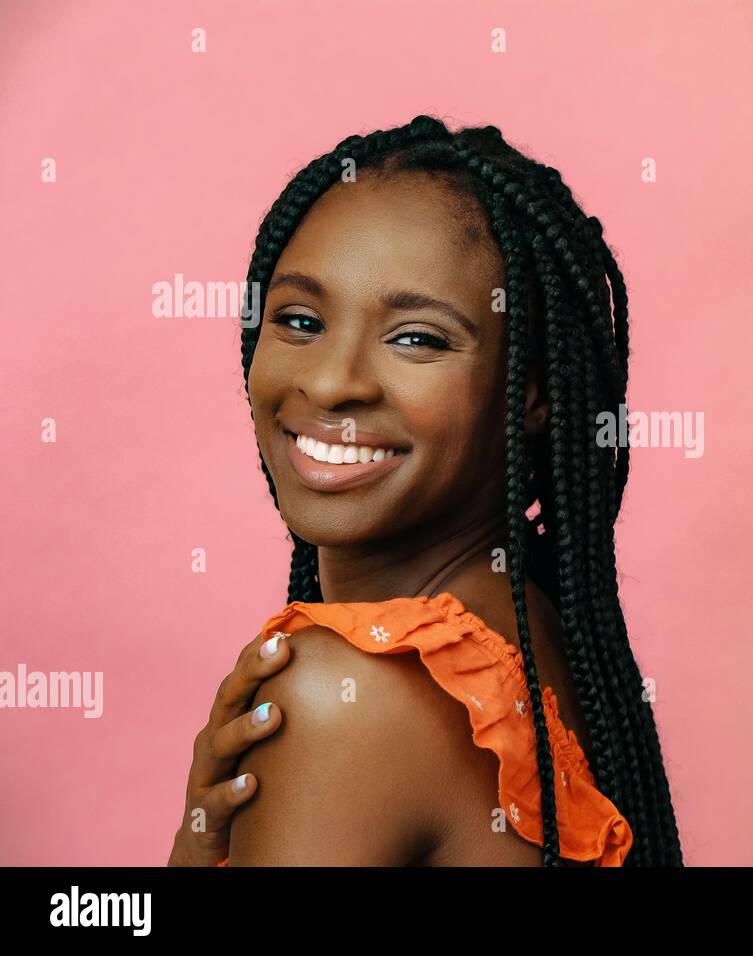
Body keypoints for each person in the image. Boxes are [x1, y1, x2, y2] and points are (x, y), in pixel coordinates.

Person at [166, 114, 683, 866]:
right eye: (300, 320)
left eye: (417, 338)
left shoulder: (348, 693)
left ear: (532, 388)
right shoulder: (528, 629)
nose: (333, 381)